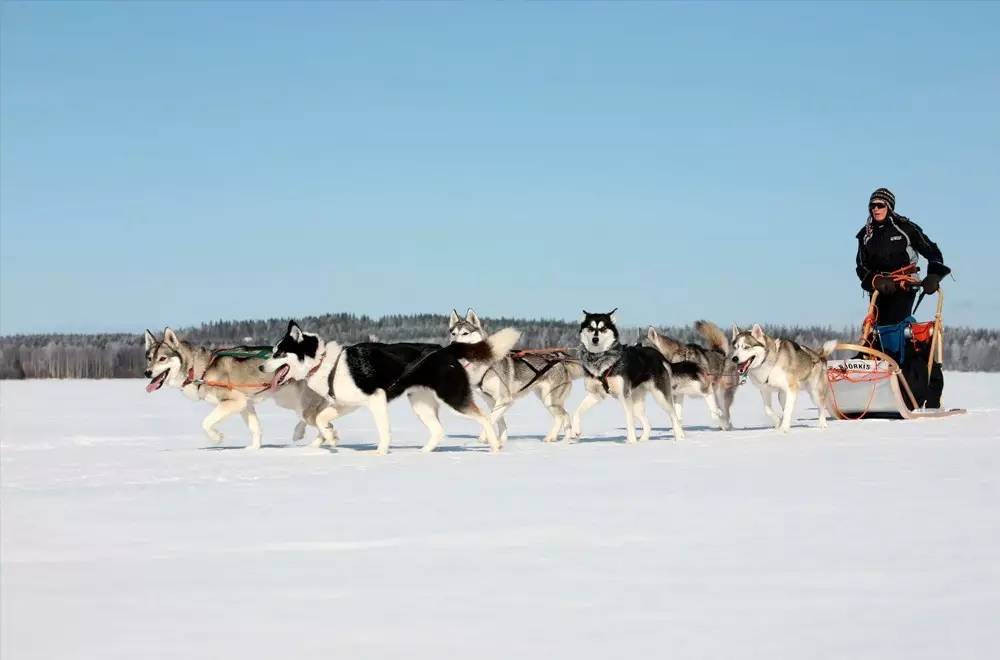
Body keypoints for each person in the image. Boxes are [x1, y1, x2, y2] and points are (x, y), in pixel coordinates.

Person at [855, 187, 951, 325]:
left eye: (880, 205)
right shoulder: (865, 235)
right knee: (875, 332)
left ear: (888, 207)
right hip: (879, 287)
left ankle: (906, 341)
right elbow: (861, 265)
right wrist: (875, 280)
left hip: (904, 285)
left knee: (894, 326)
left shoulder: (906, 228)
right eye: (872, 206)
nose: (876, 209)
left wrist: (934, 275)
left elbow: (932, 251)